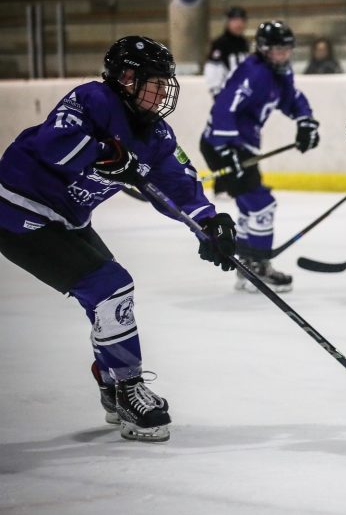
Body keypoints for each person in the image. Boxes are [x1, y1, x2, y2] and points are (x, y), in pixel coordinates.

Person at [0, 36, 237, 442]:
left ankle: (112, 384)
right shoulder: (93, 99)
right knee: (111, 288)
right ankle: (127, 390)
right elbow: (53, 142)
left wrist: (210, 224)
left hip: (67, 220)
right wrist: (103, 155)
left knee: (109, 296)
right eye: (155, 82)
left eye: (166, 83)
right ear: (127, 78)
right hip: (18, 212)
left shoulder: (156, 135)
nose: (163, 92)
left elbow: (179, 186)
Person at [200, 20, 320, 293]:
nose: (282, 55)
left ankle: (245, 264)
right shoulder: (254, 74)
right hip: (224, 145)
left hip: (240, 147)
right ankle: (258, 265)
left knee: (248, 205)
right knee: (263, 205)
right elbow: (224, 106)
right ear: (263, 50)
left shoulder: (279, 72)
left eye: (286, 49)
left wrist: (305, 121)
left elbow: (292, 98)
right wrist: (225, 148)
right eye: (276, 50)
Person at [203, 6, 249, 97]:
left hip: (242, 93)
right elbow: (213, 69)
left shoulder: (244, 43)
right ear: (227, 22)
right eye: (235, 21)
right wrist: (217, 93)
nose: (239, 24)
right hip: (226, 94)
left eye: (242, 21)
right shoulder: (220, 43)